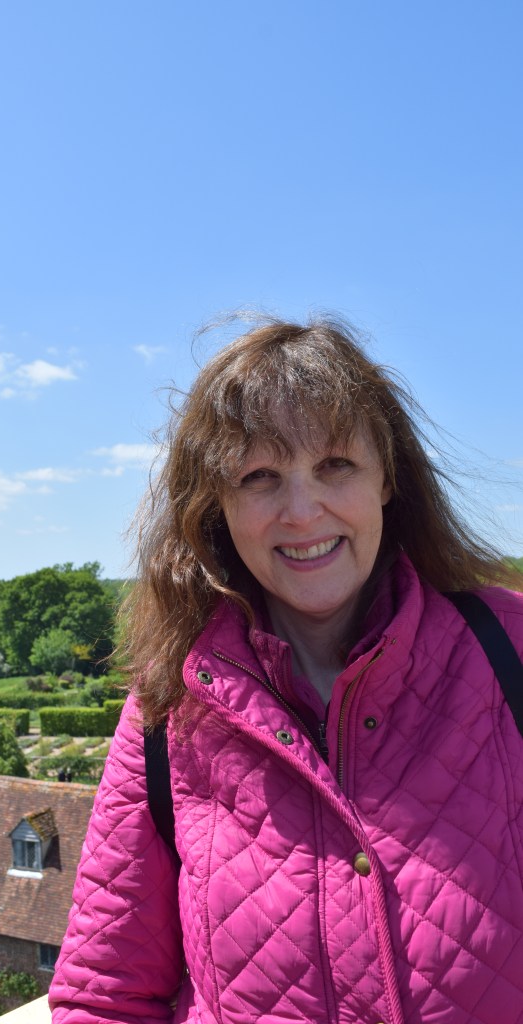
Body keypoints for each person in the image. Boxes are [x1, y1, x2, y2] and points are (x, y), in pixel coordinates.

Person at [50, 318, 523, 1024]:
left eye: (335, 465)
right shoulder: (165, 712)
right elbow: (105, 992)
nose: (302, 513)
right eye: (259, 478)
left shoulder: (508, 650)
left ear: (388, 479)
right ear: (216, 507)